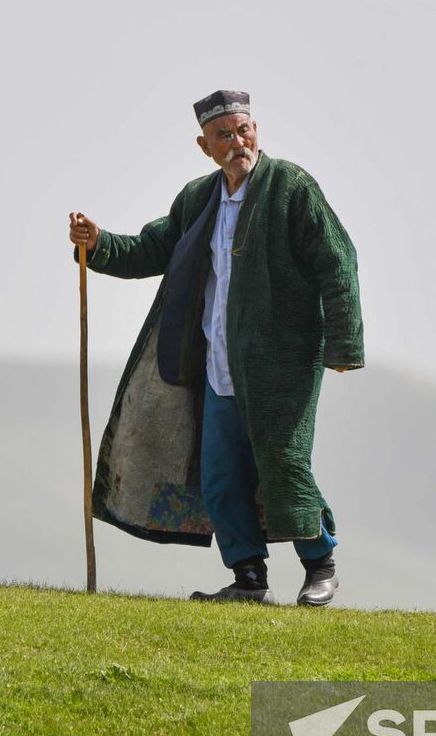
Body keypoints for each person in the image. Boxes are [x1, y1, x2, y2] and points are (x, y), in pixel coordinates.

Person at [67, 89, 364, 606]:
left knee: (282, 462)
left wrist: (343, 343)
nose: (236, 143)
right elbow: (151, 248)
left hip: (282, 365)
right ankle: (249, 578)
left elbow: (337, 261)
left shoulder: (291, 187)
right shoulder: (198, 198)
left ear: (257, 130)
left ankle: (321, 565)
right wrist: (98, 243)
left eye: (243, 130)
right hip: (216, 368)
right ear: (204, 145)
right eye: (223, 135)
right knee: (219, 473)